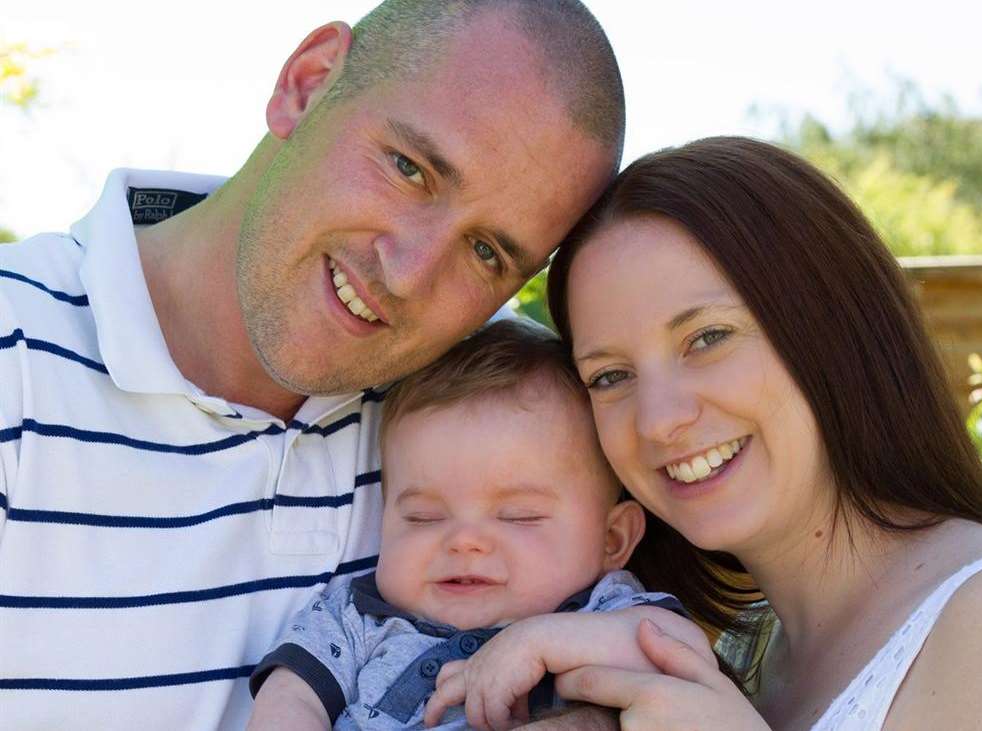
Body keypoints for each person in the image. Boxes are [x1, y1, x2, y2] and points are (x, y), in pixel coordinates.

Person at [0, 2, 624, 728]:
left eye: (486, 253)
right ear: (307, 81)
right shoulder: (17, 354)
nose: (409, 273)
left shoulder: (516, 409)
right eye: (409, 168)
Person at [543, 136, 982, 730]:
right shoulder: (733, 654)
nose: (658, 419)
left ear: (836, 324)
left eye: (707, 338)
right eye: (609, 376)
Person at [244, 319, 711, 730]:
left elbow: (682, 650)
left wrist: (538, 643)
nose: (464, 541)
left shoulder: (604, 612)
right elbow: (292, 693)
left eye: (518, 516)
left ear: (612, 539)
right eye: (423, 517)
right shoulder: (358, 619)